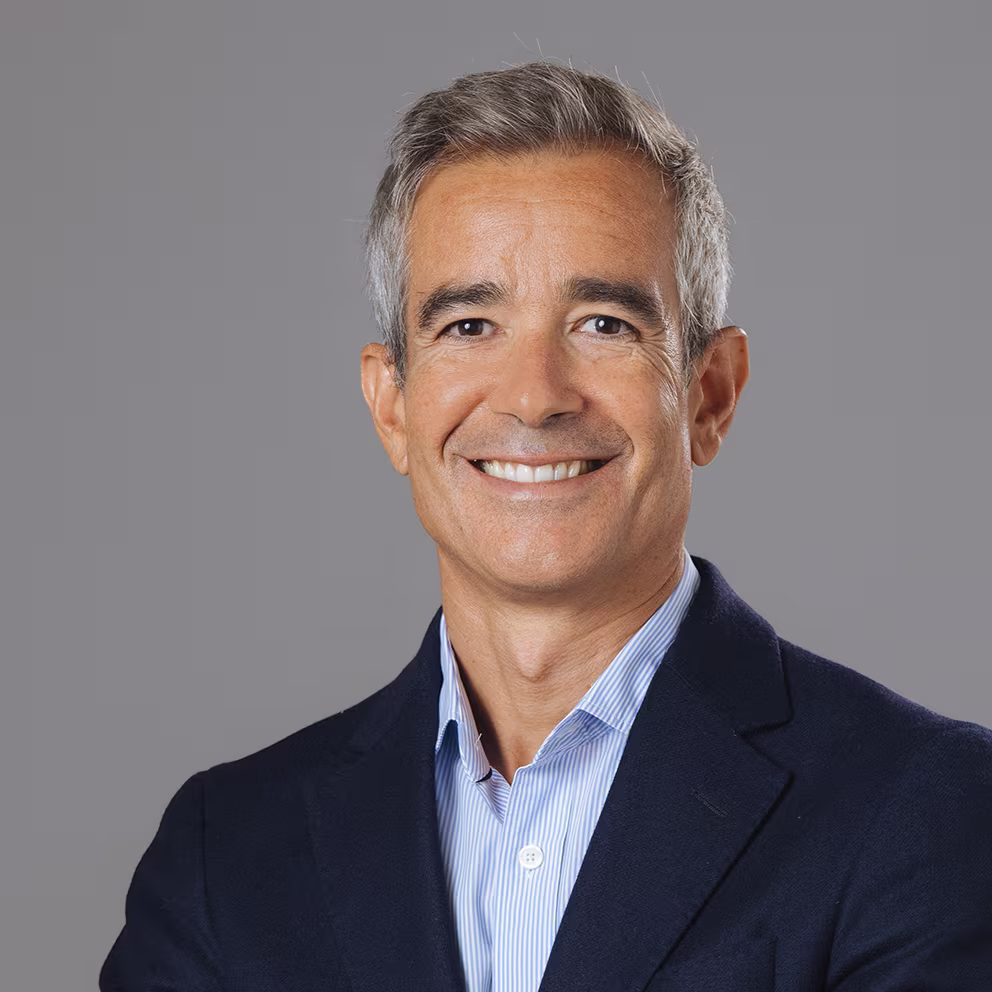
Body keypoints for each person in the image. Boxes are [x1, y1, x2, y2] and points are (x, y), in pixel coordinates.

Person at [101, 62, 992, 991]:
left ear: (710, 396)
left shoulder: (924, 812)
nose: (534, 397)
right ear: (392, 406)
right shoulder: (224, 858)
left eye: (604, 324)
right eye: (468, 325)